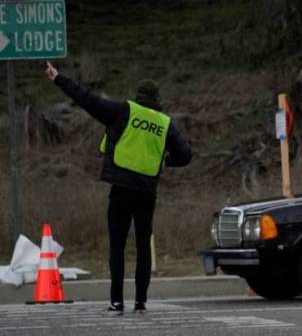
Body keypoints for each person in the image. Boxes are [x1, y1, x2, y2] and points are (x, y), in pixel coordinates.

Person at [44, 61, 192, 315]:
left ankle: (117, 301)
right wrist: (166, 161)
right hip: (147, 191)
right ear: (157, 99)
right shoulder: (164, 123)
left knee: (118, 246)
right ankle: (141, 302)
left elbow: (87, 100)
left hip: (122, 188)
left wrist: (59, 78)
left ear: (138, 96)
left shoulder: (124, 111)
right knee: (144, 245)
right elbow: (185, 155)